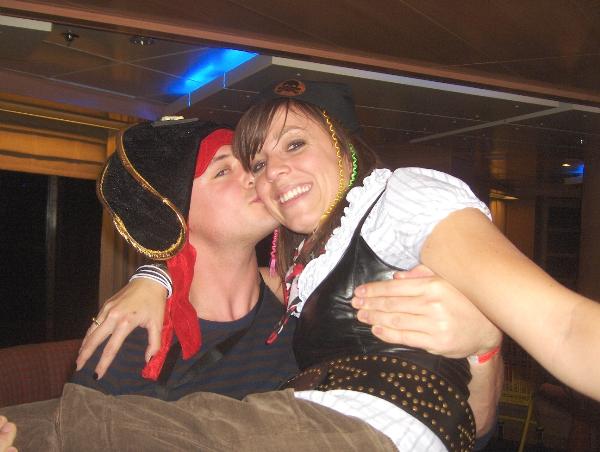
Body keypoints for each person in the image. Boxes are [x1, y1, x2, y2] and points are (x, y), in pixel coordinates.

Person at [0, 116, 500, 451]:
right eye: (223, 171)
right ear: (176, 216)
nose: (260, 178)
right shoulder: (132, 342)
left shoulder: (311, 316)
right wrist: (155, 273)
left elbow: (463, 430)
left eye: (252, 166)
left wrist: (484, 345)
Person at [233, 78, 600, 412]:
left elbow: (563, 325)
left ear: (345, 145)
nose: (273, 171)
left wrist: (484, 349)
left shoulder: (399, 202)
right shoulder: (306, 263)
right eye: (259, 164)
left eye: (295, 144)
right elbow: (472, 432)